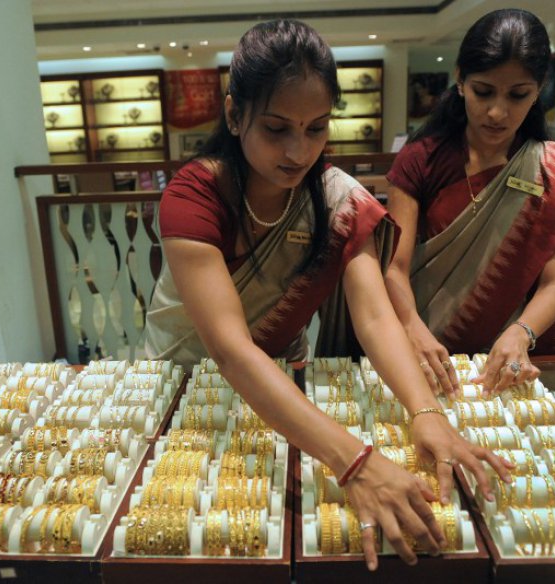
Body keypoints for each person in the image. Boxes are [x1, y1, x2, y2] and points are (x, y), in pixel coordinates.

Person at [144, 19, 512, 569]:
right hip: (188, 387)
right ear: (233, 113)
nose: (299, 150)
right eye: (277, 129)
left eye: (316, 128)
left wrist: (425, 411)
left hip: (285, 393)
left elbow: (375, 316)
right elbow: (230, 349)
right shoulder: (195, 195)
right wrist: (356, 463)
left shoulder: (335, 199)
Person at [384, 9, 555, 396]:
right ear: (460, 80)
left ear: (539, 89)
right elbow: (394, 267)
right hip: (419, 351)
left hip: (500, 363)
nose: (498, 112)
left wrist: (522, 333)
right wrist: (412, 329)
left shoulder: (553, 172)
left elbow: (554, 284)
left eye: (518, 95)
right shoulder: (421, 159)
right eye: (483, 91)